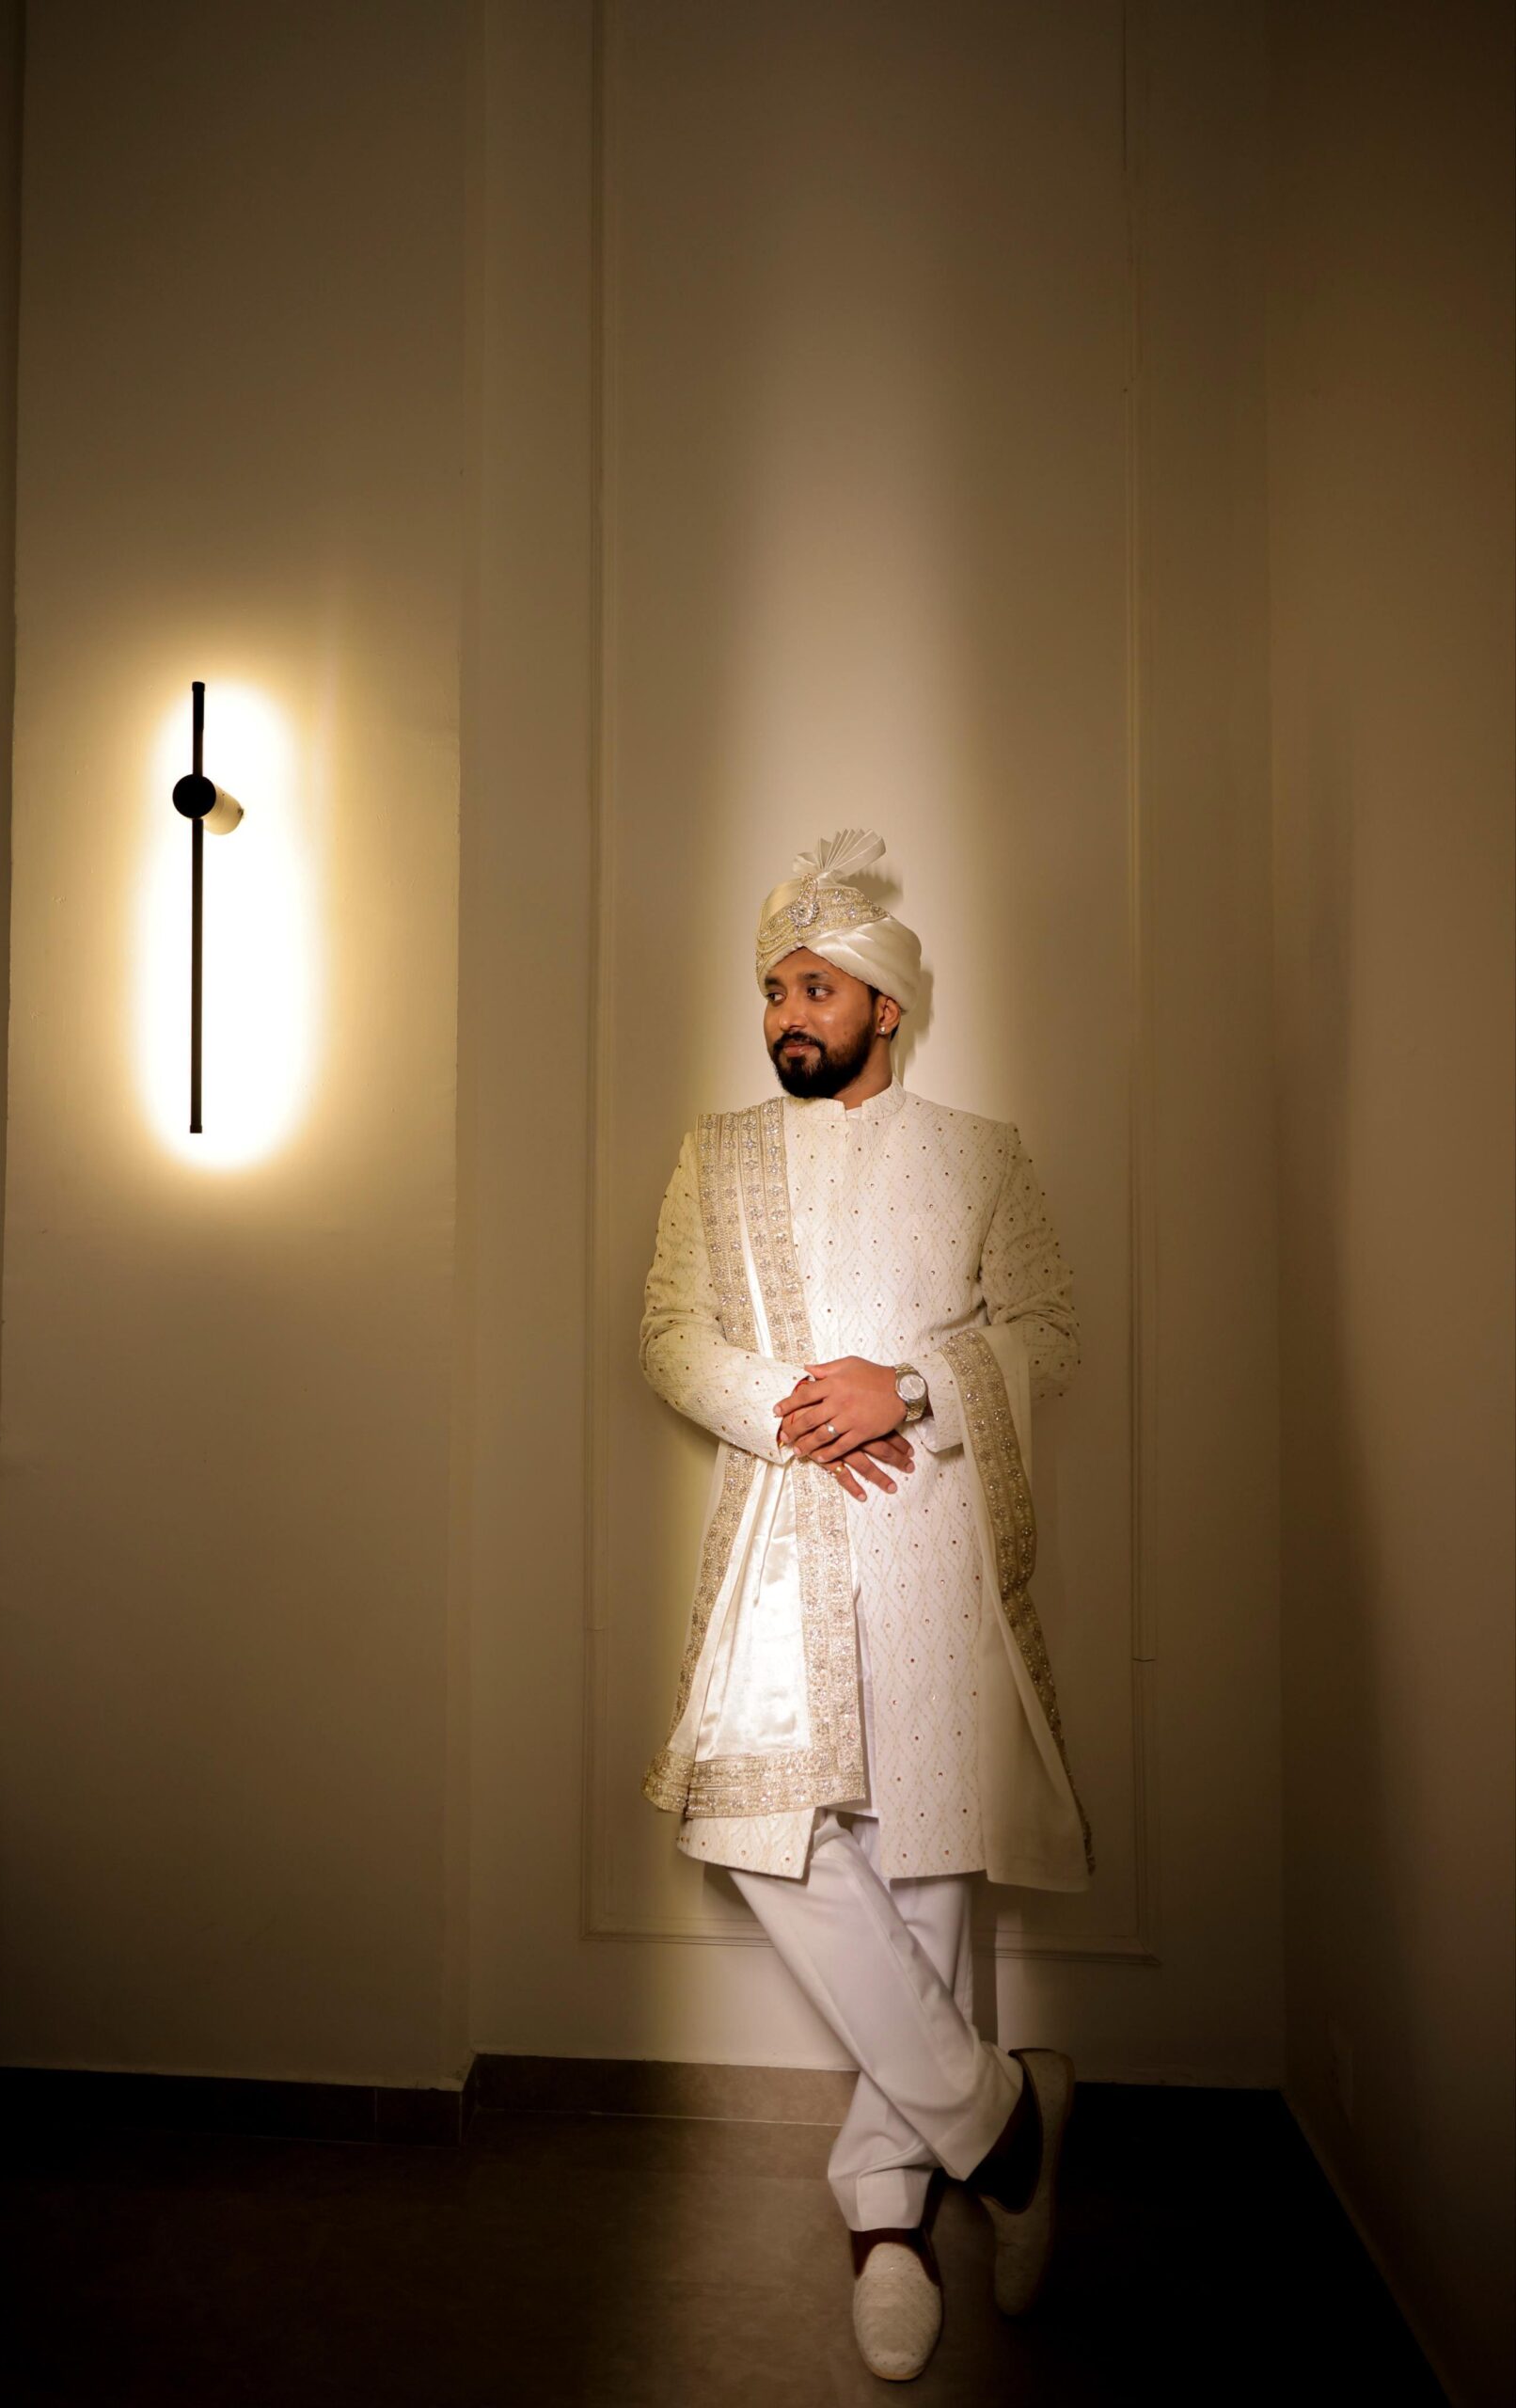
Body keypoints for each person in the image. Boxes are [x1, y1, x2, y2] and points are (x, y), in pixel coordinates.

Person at [638, 830, 1095, 2383]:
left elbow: (1048, 1330)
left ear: (883, 1008)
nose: (787, 1014)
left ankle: (887, 2214)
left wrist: (905, 1387)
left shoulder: (983, 1153)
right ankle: (1008, 2127)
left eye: (816, 990)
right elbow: (669, 1333)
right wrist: (801, 1413)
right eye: (774, 990)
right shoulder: (715, 1153)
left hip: (928, 1538)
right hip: (778, 1530)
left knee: (928, 1860)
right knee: (751, 1824)